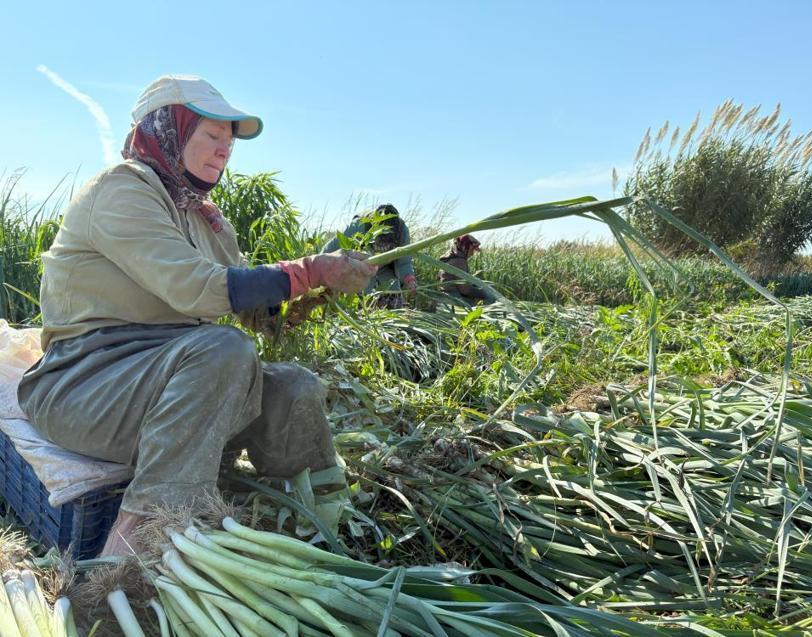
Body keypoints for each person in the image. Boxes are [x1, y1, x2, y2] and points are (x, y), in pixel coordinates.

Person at [16, 75, 377, 556]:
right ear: (169, 129)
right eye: (211, 135)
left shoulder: (204, 217)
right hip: (87, 383)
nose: (224, 151)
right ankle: (138, 542)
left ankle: (319, 523)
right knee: (224, 349)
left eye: (230, 143)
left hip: (174, 381)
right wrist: (308, 270)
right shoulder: (122, 190)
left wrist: (304, 301)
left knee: (295, 386)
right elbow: (196, 289)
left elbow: (247, 307)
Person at [322, 204, 416, 309]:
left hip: (385, 268)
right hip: (359, 266)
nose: (383, 248)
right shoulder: (358, 226)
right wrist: (318, 270)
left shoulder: (402, 231)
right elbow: (329, 250)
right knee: (362, 300)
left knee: (393, 296)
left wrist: (409, 280)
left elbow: (404, 261)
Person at [438, 234, 494, 305]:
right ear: (465, 247)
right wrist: (483, 293)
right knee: (489, 295)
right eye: (472, 249)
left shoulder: (449, 257)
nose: (472, 254)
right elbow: (464, 290)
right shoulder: (459, 261)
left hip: (444, 298)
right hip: (454, 299)